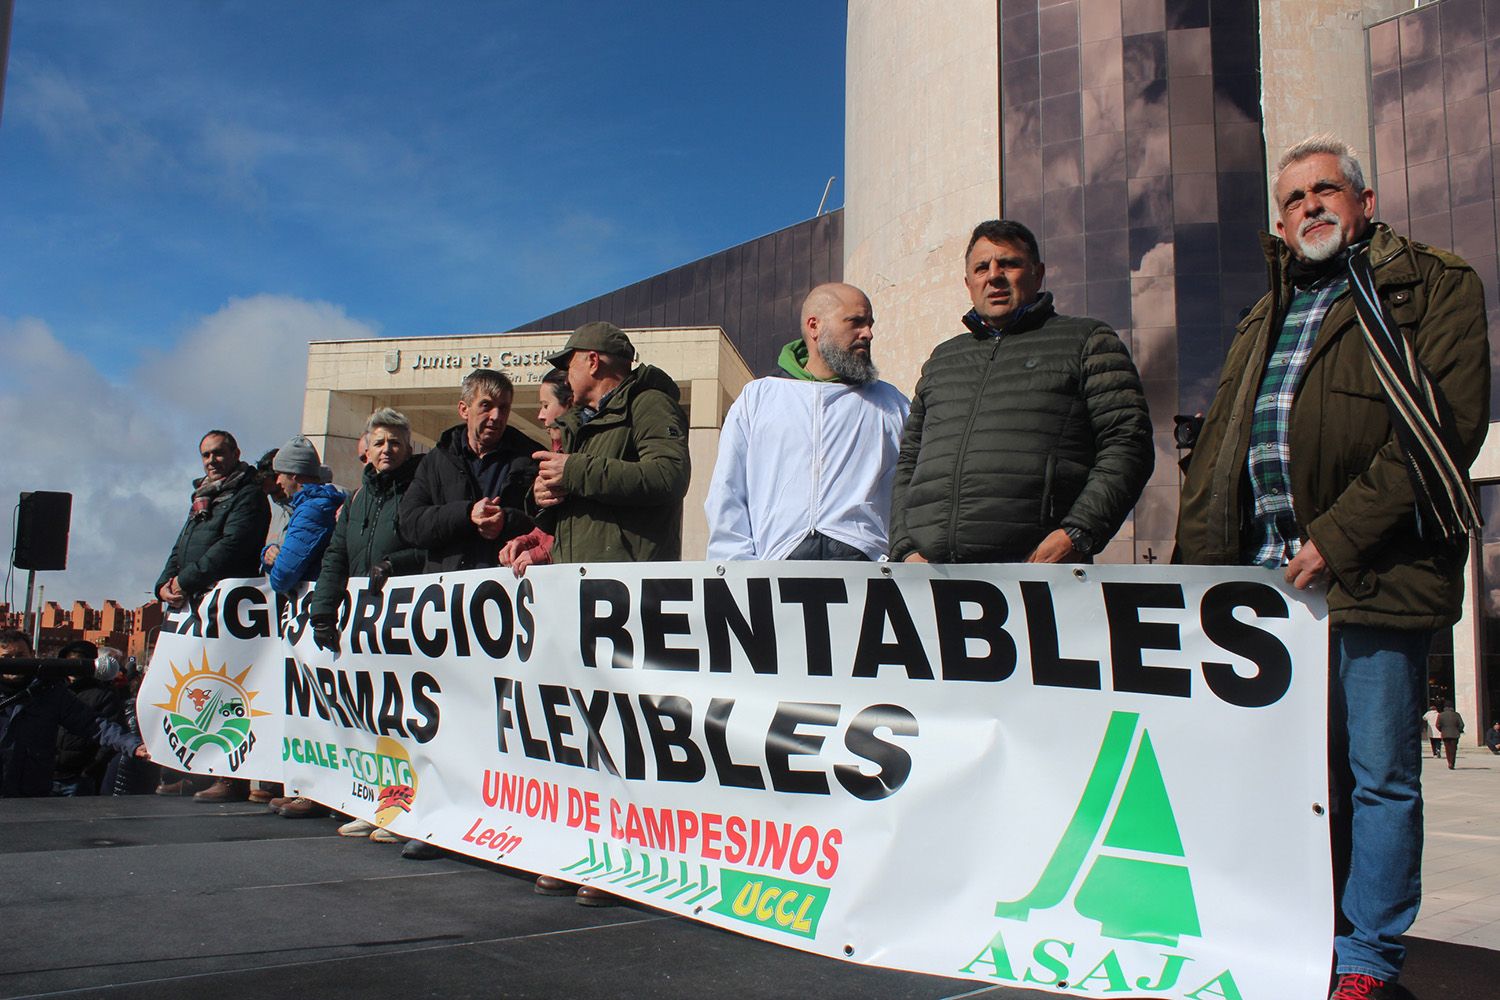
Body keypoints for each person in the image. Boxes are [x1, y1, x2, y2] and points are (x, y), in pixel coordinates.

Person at [1174, 135, 1489, 1000]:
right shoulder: (1265, 310)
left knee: (1379, 776)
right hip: (1269, 591)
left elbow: (1445, 431)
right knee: (1287, 777)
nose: (1310, 207)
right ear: (1280, 222)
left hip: (1370, 574)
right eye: (1294, 200)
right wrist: (1197, 576)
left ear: (1365, 200)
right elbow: (1223, 456)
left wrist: (1338, 538)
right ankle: (1301, 931)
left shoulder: (1429, 285)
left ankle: (1367, 959)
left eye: (1326, 191)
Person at [531, 321, 690, 904]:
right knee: (581, 724)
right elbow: (579, 500)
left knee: (622, 724)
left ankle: (622, 856)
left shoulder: (649, 403)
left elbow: (669, 476)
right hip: (579, 589)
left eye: (569, 362)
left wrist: (575, 473)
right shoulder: (581, 422)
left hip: (625, 592)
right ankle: (581, 847)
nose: (564, 373)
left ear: (592, 361)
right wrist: (541, 504)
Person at [890, 219, 1153, 564]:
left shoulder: (1087, 341)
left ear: (1037, 273)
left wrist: (1077, 533)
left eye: (1009, 263)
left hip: (1037, 575)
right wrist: (905, 547)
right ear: (968, 283)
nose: (994, 276)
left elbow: (1127, 442)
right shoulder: (944, 358)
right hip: (933, 580)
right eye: (981, 267)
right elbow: (909, 460)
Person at [705, 282, 909, 560]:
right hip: (776, 568)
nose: (868, 333)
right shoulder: (759, 397)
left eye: (870, 323)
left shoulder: (892, 404)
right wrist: (737, 569)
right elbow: (728, 489)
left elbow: (915, 489)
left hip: (868, 573)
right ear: (815, 326)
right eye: (856, 322)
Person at [307, 409, 426, 833]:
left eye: (395, 442)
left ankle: (405, 810)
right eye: (380, 442)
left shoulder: (419, 491)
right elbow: (336, 557)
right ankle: (376, 803)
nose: (387, 449)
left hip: (404, 624)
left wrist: (397, 564)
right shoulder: (357, 499)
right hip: (362, 626)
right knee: (371, 719)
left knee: (404, 722)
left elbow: (430, 549)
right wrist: (322, 611)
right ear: (367, 450)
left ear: (408, 448)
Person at [154, 429, 270, 800]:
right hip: (193, 604)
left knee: (226, 690)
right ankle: (191, 768)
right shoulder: (203, 496)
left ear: (236, 452)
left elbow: (233, 544)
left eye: (219, 453)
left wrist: (186, 580)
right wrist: (163, 583)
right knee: (191, 688)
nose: (211, 461)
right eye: (205, 454)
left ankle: (228, 776)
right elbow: (180, 544)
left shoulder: (247, 494)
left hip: (226, 607)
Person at [399, 369, 538, 573]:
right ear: (464, 410)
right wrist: (466, 515)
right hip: (449, 592)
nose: (496, 416)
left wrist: (506, 521)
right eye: (486, 406)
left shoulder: (530, 459)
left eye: (503, 408)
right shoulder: (436, 461)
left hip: (509, 588)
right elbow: (410, 524)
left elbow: (549, 526)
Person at [0, 629, 148, 798]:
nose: (14, 663)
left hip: (31, 794)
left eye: (20, 656)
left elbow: (94, 724)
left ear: (32, 655)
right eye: (6, 658)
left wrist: (132, 745)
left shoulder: (49, 692)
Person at [498, 368, 573, 576]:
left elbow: (585, 528)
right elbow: (554, 526)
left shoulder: (586, 456)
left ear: (570, 405)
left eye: (545, 406)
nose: (540, 416)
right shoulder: (557, 452)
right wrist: (526, 541)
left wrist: (543, 553)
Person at [260, 435, 345, 596]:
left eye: (279, 474)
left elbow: (283, 577)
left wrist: (272, 561)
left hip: (311, 604)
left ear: (294, 474)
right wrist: (268, 553)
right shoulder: (317, 504)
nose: (277, 482)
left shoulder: (312, 510)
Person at [50, 639, 125, 796]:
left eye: (80, 662)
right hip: (46, 773)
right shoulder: (51, 689)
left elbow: (108, 734)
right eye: (71, 662)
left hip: (78, 778)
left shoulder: (104, 694)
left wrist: (90, 770)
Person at [1437, 703, 1465, 771]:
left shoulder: (1441, 715)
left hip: (1445, 734)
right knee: (1453, 749)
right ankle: (1452, 763)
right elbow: (1461, 724)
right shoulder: (1456, 714)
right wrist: (1459, 730)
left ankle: (1449, 762)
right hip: (1455, 734)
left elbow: (1438, 725)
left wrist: (1442, 730)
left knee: (1447, 749)